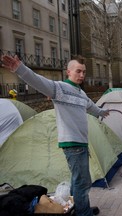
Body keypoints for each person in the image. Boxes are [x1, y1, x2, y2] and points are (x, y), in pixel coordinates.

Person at [1, 54, 109, 216]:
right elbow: (38, 81)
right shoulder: (59, 89)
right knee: (83, 181)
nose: (81, 75)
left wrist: (102, 111)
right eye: (78, 71)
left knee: (77, 180)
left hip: (81, 143)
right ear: (69, 72)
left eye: (84, 72)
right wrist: (20, 69)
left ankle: (78, 208)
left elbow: (91, 107)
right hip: (72, 144)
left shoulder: (81, 93)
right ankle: (83, 213)